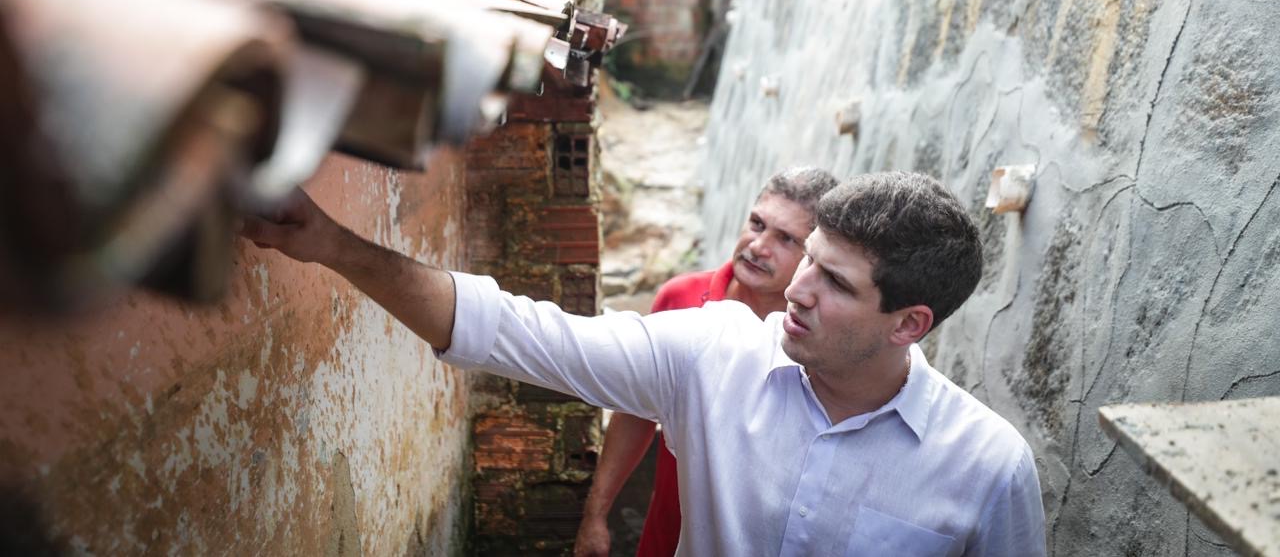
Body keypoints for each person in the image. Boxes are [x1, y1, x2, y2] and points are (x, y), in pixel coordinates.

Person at [242, 171, 1046, 555]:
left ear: (910, 323)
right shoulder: (715, 350)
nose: (795, 287)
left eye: (834, 281)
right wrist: (330, 245)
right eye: (812, 259)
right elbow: (510, 329)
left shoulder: (987, 469)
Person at [575, 167, 838, 557]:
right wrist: (595, 516)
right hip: (668, 533)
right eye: (756, 223)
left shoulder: (818, 338)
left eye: (785, 239)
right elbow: (635, 413)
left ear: (813, 256)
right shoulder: (681, 299)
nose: (758, 245)